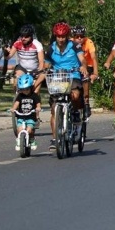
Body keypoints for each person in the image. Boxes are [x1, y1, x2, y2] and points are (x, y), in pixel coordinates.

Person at [45, 22, 89, 150]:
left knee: (75, 95)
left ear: (67, 36)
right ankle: (55, 139)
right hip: (57, 77)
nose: (61, 39)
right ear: (55, 36)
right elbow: (46, 64)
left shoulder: (75, 46)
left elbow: (82, 59)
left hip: (73, 75)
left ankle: (75, 112)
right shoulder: (51, 48)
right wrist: (44, 70)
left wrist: (83, 67)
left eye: (63, 36)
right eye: (58, 37)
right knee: (54, 109)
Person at [3, 24, 45, 93]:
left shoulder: (37, 44)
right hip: (22, 68)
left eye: (26, 36)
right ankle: (17, 98)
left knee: (36, 91)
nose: (23, 38)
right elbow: (8, 57)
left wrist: (39, 71)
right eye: (22, 36)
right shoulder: (17, 43)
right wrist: (6, 53)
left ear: (31, 36)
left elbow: (41, 61)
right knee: (16, 83)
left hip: (35, 69)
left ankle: (35, 98)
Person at [11, 74, 41, 151]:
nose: (25, 91)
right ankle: (19, 140)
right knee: (19, 129)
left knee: (30, 130)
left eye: (27, 89)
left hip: (30, 116)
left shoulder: (34, 95)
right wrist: (13, 109)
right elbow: (17, 103)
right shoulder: (20, 96)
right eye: (23, 89)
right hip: (21, 115)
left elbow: (38, 103)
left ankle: (32, 139)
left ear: (31, 87)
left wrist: (38, 107)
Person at [71, 25, 99, 107]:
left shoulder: (89, 42)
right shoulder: (70, 42)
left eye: (81, 36)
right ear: (73, 37)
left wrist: (95, 73)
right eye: (77, 36)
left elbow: (94, 57)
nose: (79, 38)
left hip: (88, 66)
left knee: (85, 78)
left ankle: (86, 102)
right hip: (74, 67)